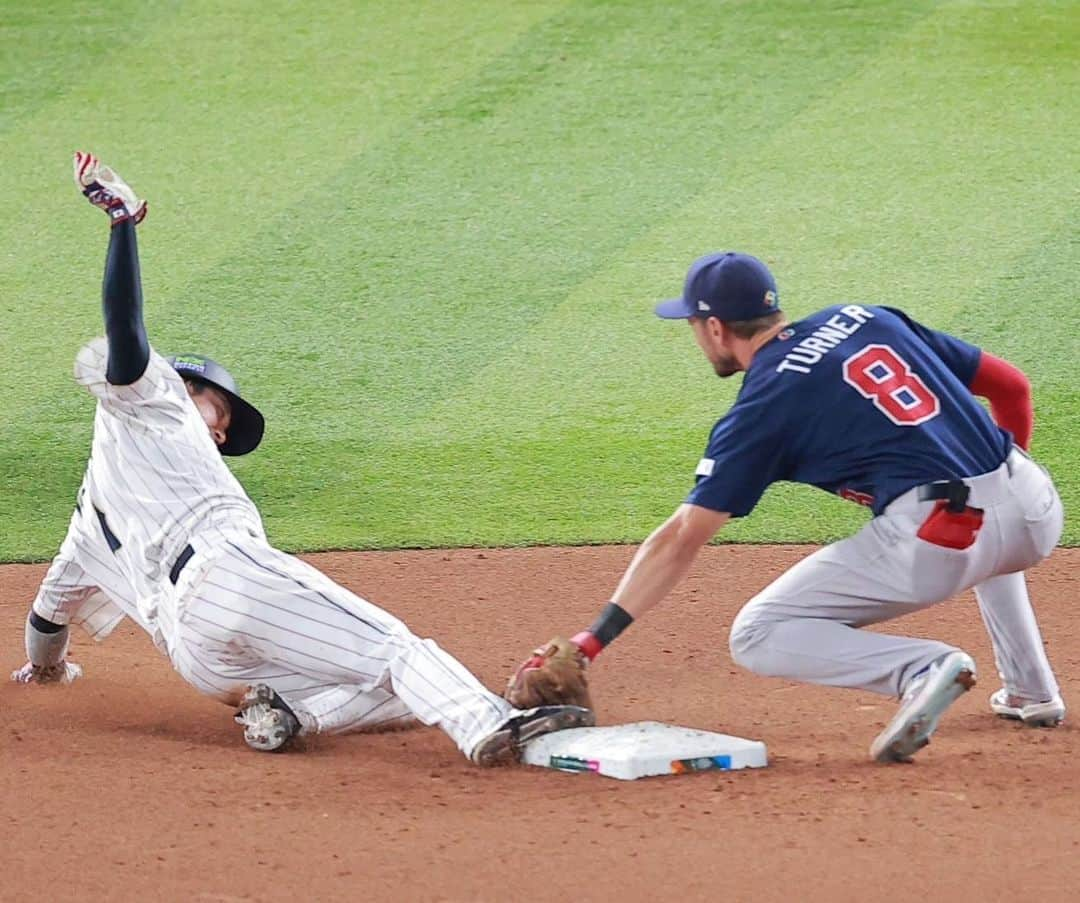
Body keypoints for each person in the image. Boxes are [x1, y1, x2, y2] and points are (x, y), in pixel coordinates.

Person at [10, 152, 593, 764]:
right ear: (181, 389)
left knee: (388, 688)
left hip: (201, 661)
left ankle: (295, 718)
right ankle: (488, 724)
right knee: (395, 649)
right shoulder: (157, 400)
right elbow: (127, 340)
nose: (218, 428)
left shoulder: (91, 515)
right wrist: (122, 224)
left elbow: (49, 618)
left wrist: (44, 673)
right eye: (218, 409)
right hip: (228, 578)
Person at [535, 251, 1064, 763]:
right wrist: (1003, 488)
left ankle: (921, 669)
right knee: (989, 527)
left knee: (757, 634)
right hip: (1036, 506)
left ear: (715, 327)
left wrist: (593, 639)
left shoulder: (762, 407)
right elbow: (1012, 387)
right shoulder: (866, 318)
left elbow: (681, 539)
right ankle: (1030, 690)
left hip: (941, 539)